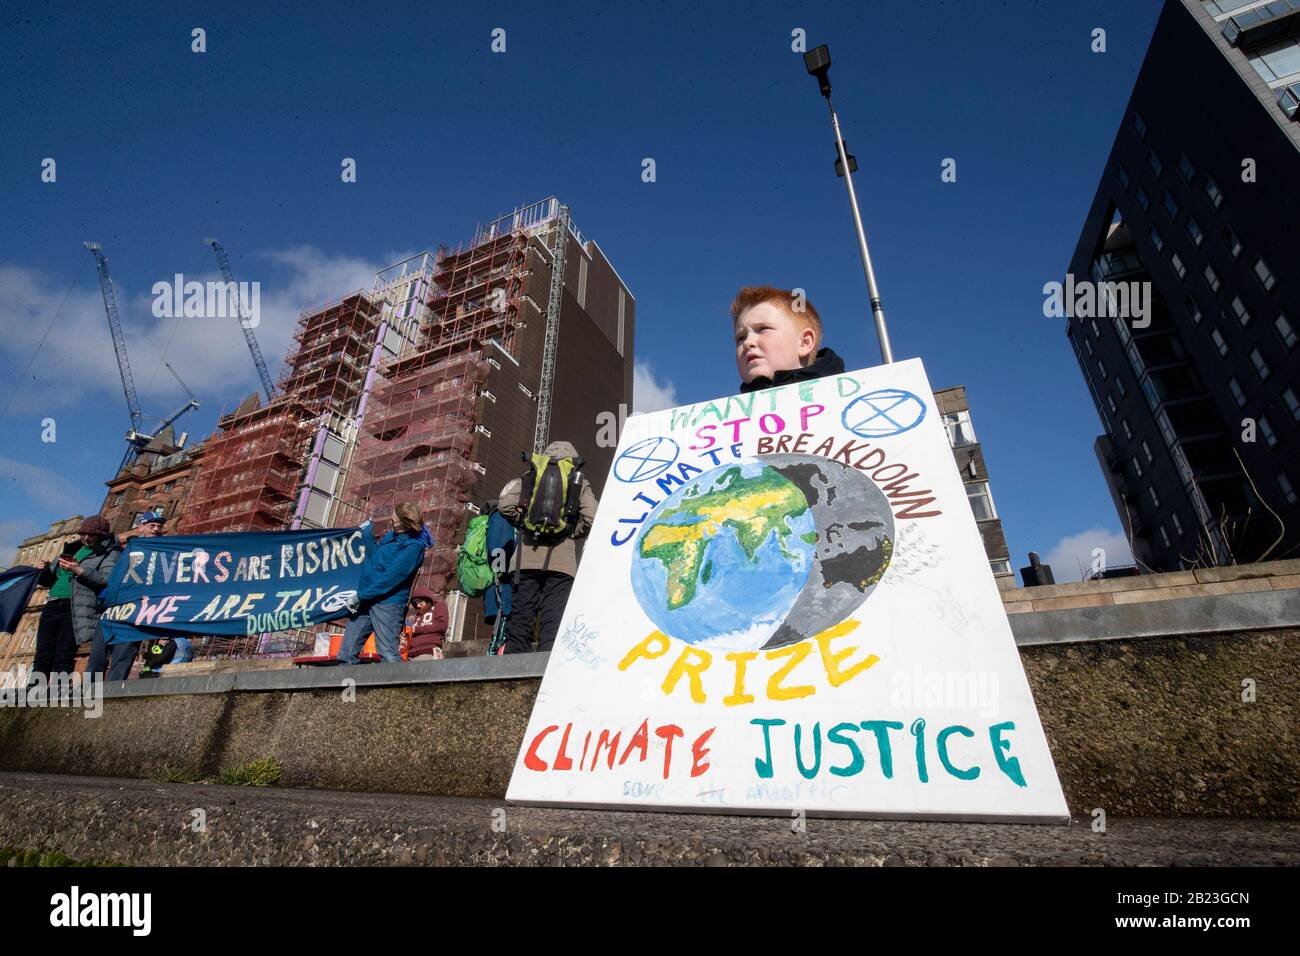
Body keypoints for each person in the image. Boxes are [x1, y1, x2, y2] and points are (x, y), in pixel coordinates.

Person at [497, 440, 598, 654]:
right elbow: (592, 515)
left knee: (521, 619)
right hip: (562, 562)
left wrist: (523, 524)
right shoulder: (580, 481)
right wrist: (570, 533)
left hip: (525, 559)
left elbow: (504, 505)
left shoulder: (530, 475)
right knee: (553, 619)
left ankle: (512, 678)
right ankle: (545, 671)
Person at [30, 515, 122, 688]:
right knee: (43, 650)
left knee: (64, 652)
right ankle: (34, 688)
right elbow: (50, 579)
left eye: (91, 534)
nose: (86, 538)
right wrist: (43, 570)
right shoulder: (71, 549)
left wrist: (78, 569)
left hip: (77, 607)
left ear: (101, 535)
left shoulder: (110, 552)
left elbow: (106, 579)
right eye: (83, 533)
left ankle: (59, 689)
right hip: (52, 603)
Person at [337, 503, 431, 664]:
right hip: (367, 598)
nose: (391, 519)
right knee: (346, 654)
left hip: (388, 603)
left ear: (405, 522)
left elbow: (390, 579)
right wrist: (367, 534)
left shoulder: (414, 547)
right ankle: (349, 686)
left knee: (387, 653)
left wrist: (359, 596)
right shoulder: (390, 537)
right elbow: (376, 560)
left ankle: (397, 688)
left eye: (394, 518)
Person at [90, 509, 167, 680]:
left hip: (137, 609)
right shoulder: (125, 549)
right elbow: (112, 574)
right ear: (141, 527)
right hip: (113, 607)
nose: (156, 529)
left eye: (159, 526)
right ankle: (89, 693)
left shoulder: (165, 552)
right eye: (152, 525)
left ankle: (110, 696)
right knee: (98, 654)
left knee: (123, 655)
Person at [733, 285, 846, 392]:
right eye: (741, 338)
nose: (747, 342)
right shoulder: (732, 411)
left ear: (804, 342)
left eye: (763, 329)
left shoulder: (848, 398)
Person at [406, 586, 449, 661]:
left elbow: (442, 625)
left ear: (427, 598)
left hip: (427, 651)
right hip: (410, 654)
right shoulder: (417, 615)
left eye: (419, 602)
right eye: (416, 603)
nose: (418, 605)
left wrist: (417, 629)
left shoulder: (439, 606)